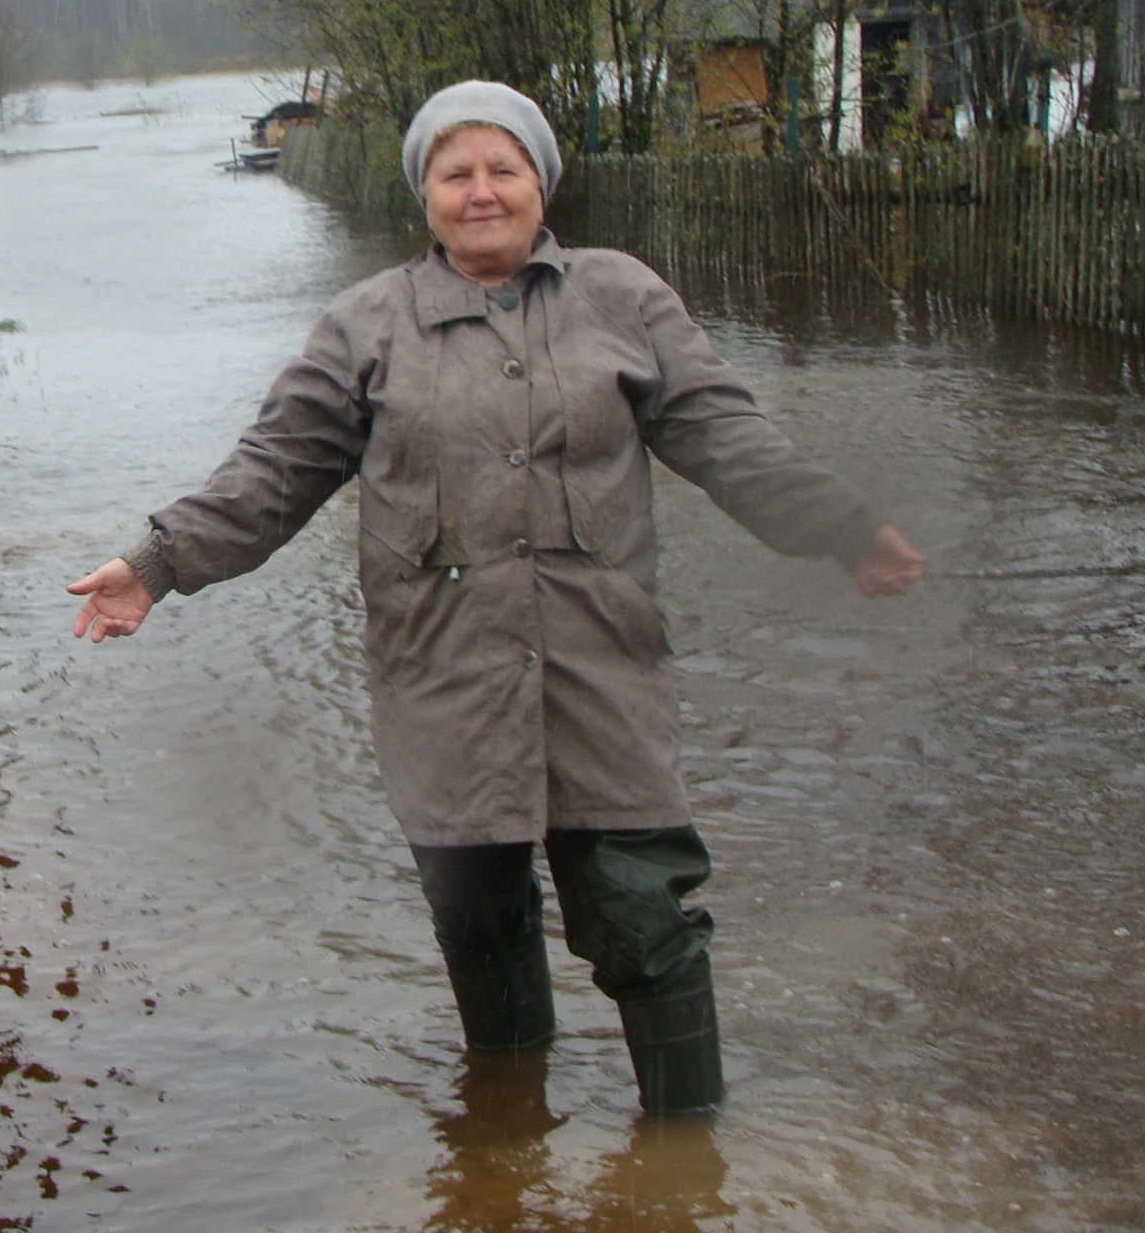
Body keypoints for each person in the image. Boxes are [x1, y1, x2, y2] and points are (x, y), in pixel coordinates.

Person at [67, 81, 925, 1115]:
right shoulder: (366, 325)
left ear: (540, 183)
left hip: (600, 670)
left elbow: (725, 438)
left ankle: (683, 1168)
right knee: (476, 919)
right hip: (443, 678)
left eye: (501, 169)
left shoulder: (624, 298)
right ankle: (507, 1150)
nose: (481, 192)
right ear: (424, 194)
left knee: (643, 916)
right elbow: (275, 471)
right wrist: (156, 564)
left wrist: (844, 528)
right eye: (455, 172)